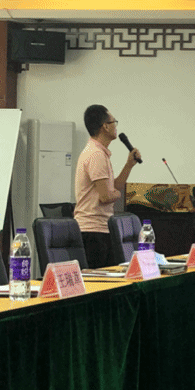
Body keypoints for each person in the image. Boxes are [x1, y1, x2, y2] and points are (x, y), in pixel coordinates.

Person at [74, 105, 141, 269]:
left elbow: (113, 188)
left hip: (102, 228)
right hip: (93, 231)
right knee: (99, 280)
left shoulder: (100, 153)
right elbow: (105, 197)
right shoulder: (96, 154)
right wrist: (118, 194)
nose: (115, 126)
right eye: (114, 122)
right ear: (105, 126)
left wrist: (129, 165)